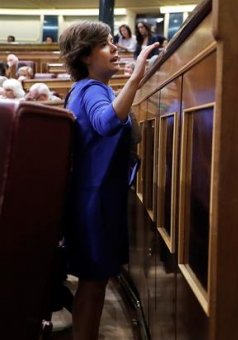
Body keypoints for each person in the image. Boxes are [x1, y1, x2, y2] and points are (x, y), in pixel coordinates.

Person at [59, 21, 158, 339]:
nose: (115, 48)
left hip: (97, 198)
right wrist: (136, 77)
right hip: (95, 201)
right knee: (93, 282)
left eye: (115, 42)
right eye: (106, 44)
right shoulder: (91, 89)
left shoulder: (91, 90)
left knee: (95, 282)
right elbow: (105, 123)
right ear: (86, 55)